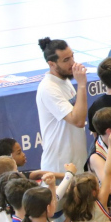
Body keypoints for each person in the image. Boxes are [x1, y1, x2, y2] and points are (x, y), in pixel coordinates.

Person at [36, 37, 88, 173]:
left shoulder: (64, 80)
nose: (73, 63)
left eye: (72, 56)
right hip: (59, 167)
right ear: (52, 64)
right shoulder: (48, 88)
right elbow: (78, 121)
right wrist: (82, 85)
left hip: (76, 163)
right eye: (66, 60)